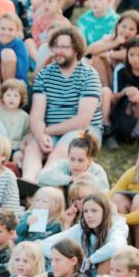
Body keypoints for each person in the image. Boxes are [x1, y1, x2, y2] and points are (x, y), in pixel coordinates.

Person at [21, 25, 103, 182]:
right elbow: (36, 114)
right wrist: (40, 135)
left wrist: (48, 131)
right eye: (56, 46)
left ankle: (43, 185)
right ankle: (28, 182)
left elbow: (82, 120)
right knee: (33, 148)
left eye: (64, 47)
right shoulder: (45, 74)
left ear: (76, 49)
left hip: (83, 130)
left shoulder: (88, 75)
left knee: (58, 153)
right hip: (50, 129)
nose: (58, 51)